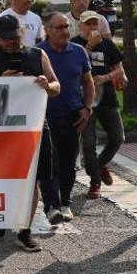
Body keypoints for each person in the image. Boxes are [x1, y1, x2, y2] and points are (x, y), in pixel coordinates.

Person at [0, 16, 61, 251]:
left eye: (15, 38)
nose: (11, 43)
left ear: (21, 33)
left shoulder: (37, 55)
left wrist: (46, 85)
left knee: (32, 178)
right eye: (6, 39)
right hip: (0, 130)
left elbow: (56, 86)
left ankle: (24, 230)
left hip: (33, 127)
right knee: (0, 176)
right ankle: (1, 217)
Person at [37, 13, 94, 222]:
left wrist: (87, 108)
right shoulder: (38, 53)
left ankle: (66, 202)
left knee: (68, 162)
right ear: (47, 30)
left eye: (67, 26)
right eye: (59, 27)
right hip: (45, 116)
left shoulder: (78, 52)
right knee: (50, 162)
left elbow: (88, 82)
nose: (64, 31)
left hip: (73, 115)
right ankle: (51, 206)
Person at [72, 11, 127, 199]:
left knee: (118, 137)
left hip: (107, 99)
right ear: (81, 26)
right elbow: (73, 67)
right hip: (85, 100)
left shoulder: (107, 44)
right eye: (89, 24)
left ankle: (100, 163)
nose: (93, 27)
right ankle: (94, 181)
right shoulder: (75, 45)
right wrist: (89, 46)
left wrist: (106, 77)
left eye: (96, 23)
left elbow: (119, 69)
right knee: (88, 143)